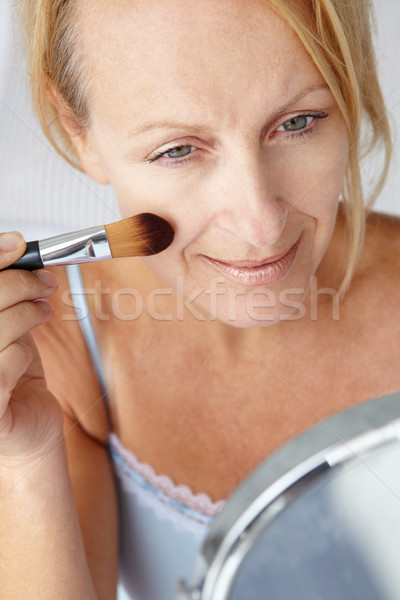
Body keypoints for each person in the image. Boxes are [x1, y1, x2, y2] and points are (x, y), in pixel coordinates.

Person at [1, 0, 399, 598]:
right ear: (75, 127)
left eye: (297, 123)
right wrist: (24, 459)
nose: (259, 224)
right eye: (178, 150)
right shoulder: (58, 349)